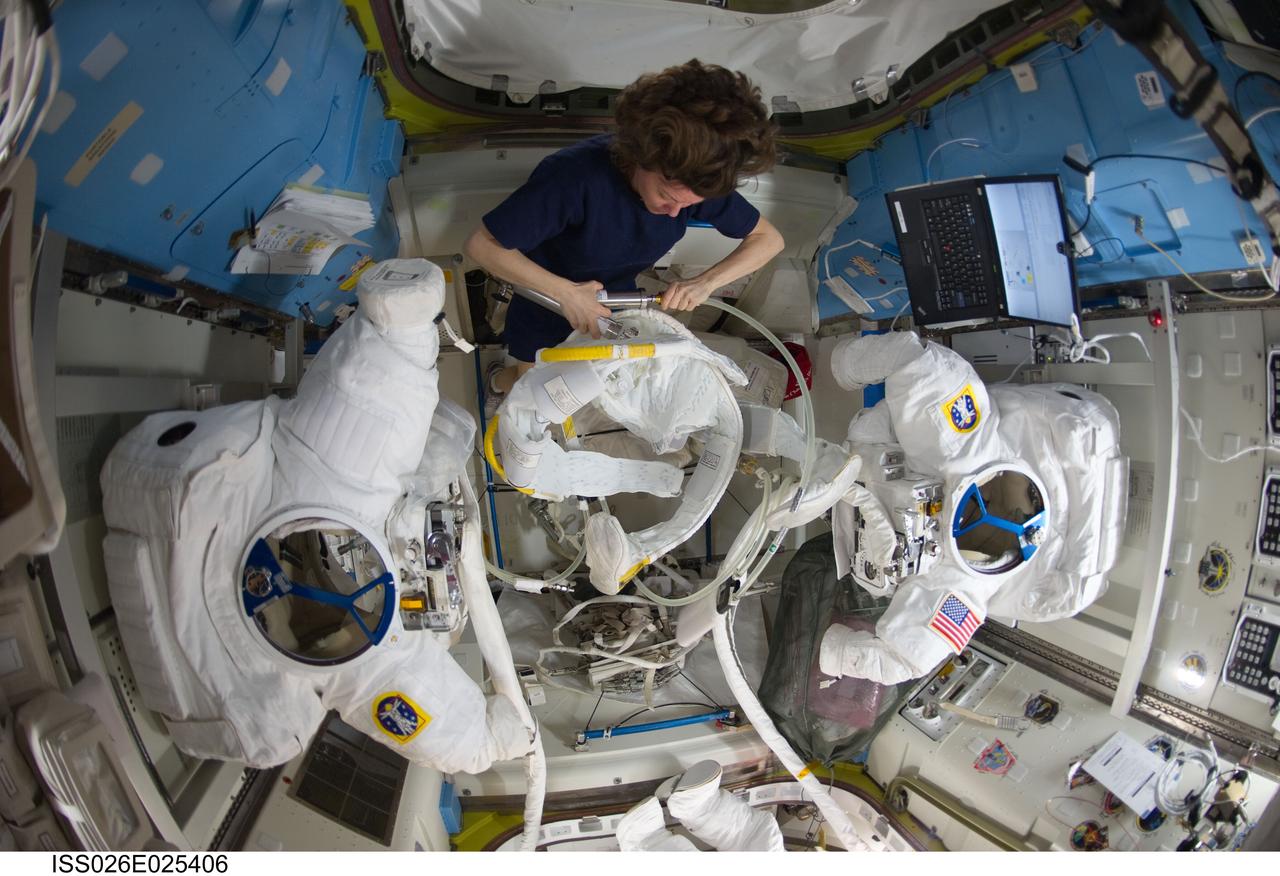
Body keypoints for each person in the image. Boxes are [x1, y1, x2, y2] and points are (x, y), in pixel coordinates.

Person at [463, 58, 785, 401]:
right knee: (533, 385)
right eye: (666, 196)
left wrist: (705, 283)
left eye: (688, 206)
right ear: (641, 155)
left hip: (616, 299)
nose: (676, 212)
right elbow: (482, 246)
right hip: (546, 298)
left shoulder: (697, 180)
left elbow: (769, 240)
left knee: (583, 383)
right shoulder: (573, 179)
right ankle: (498, 380)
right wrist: (566, 294)